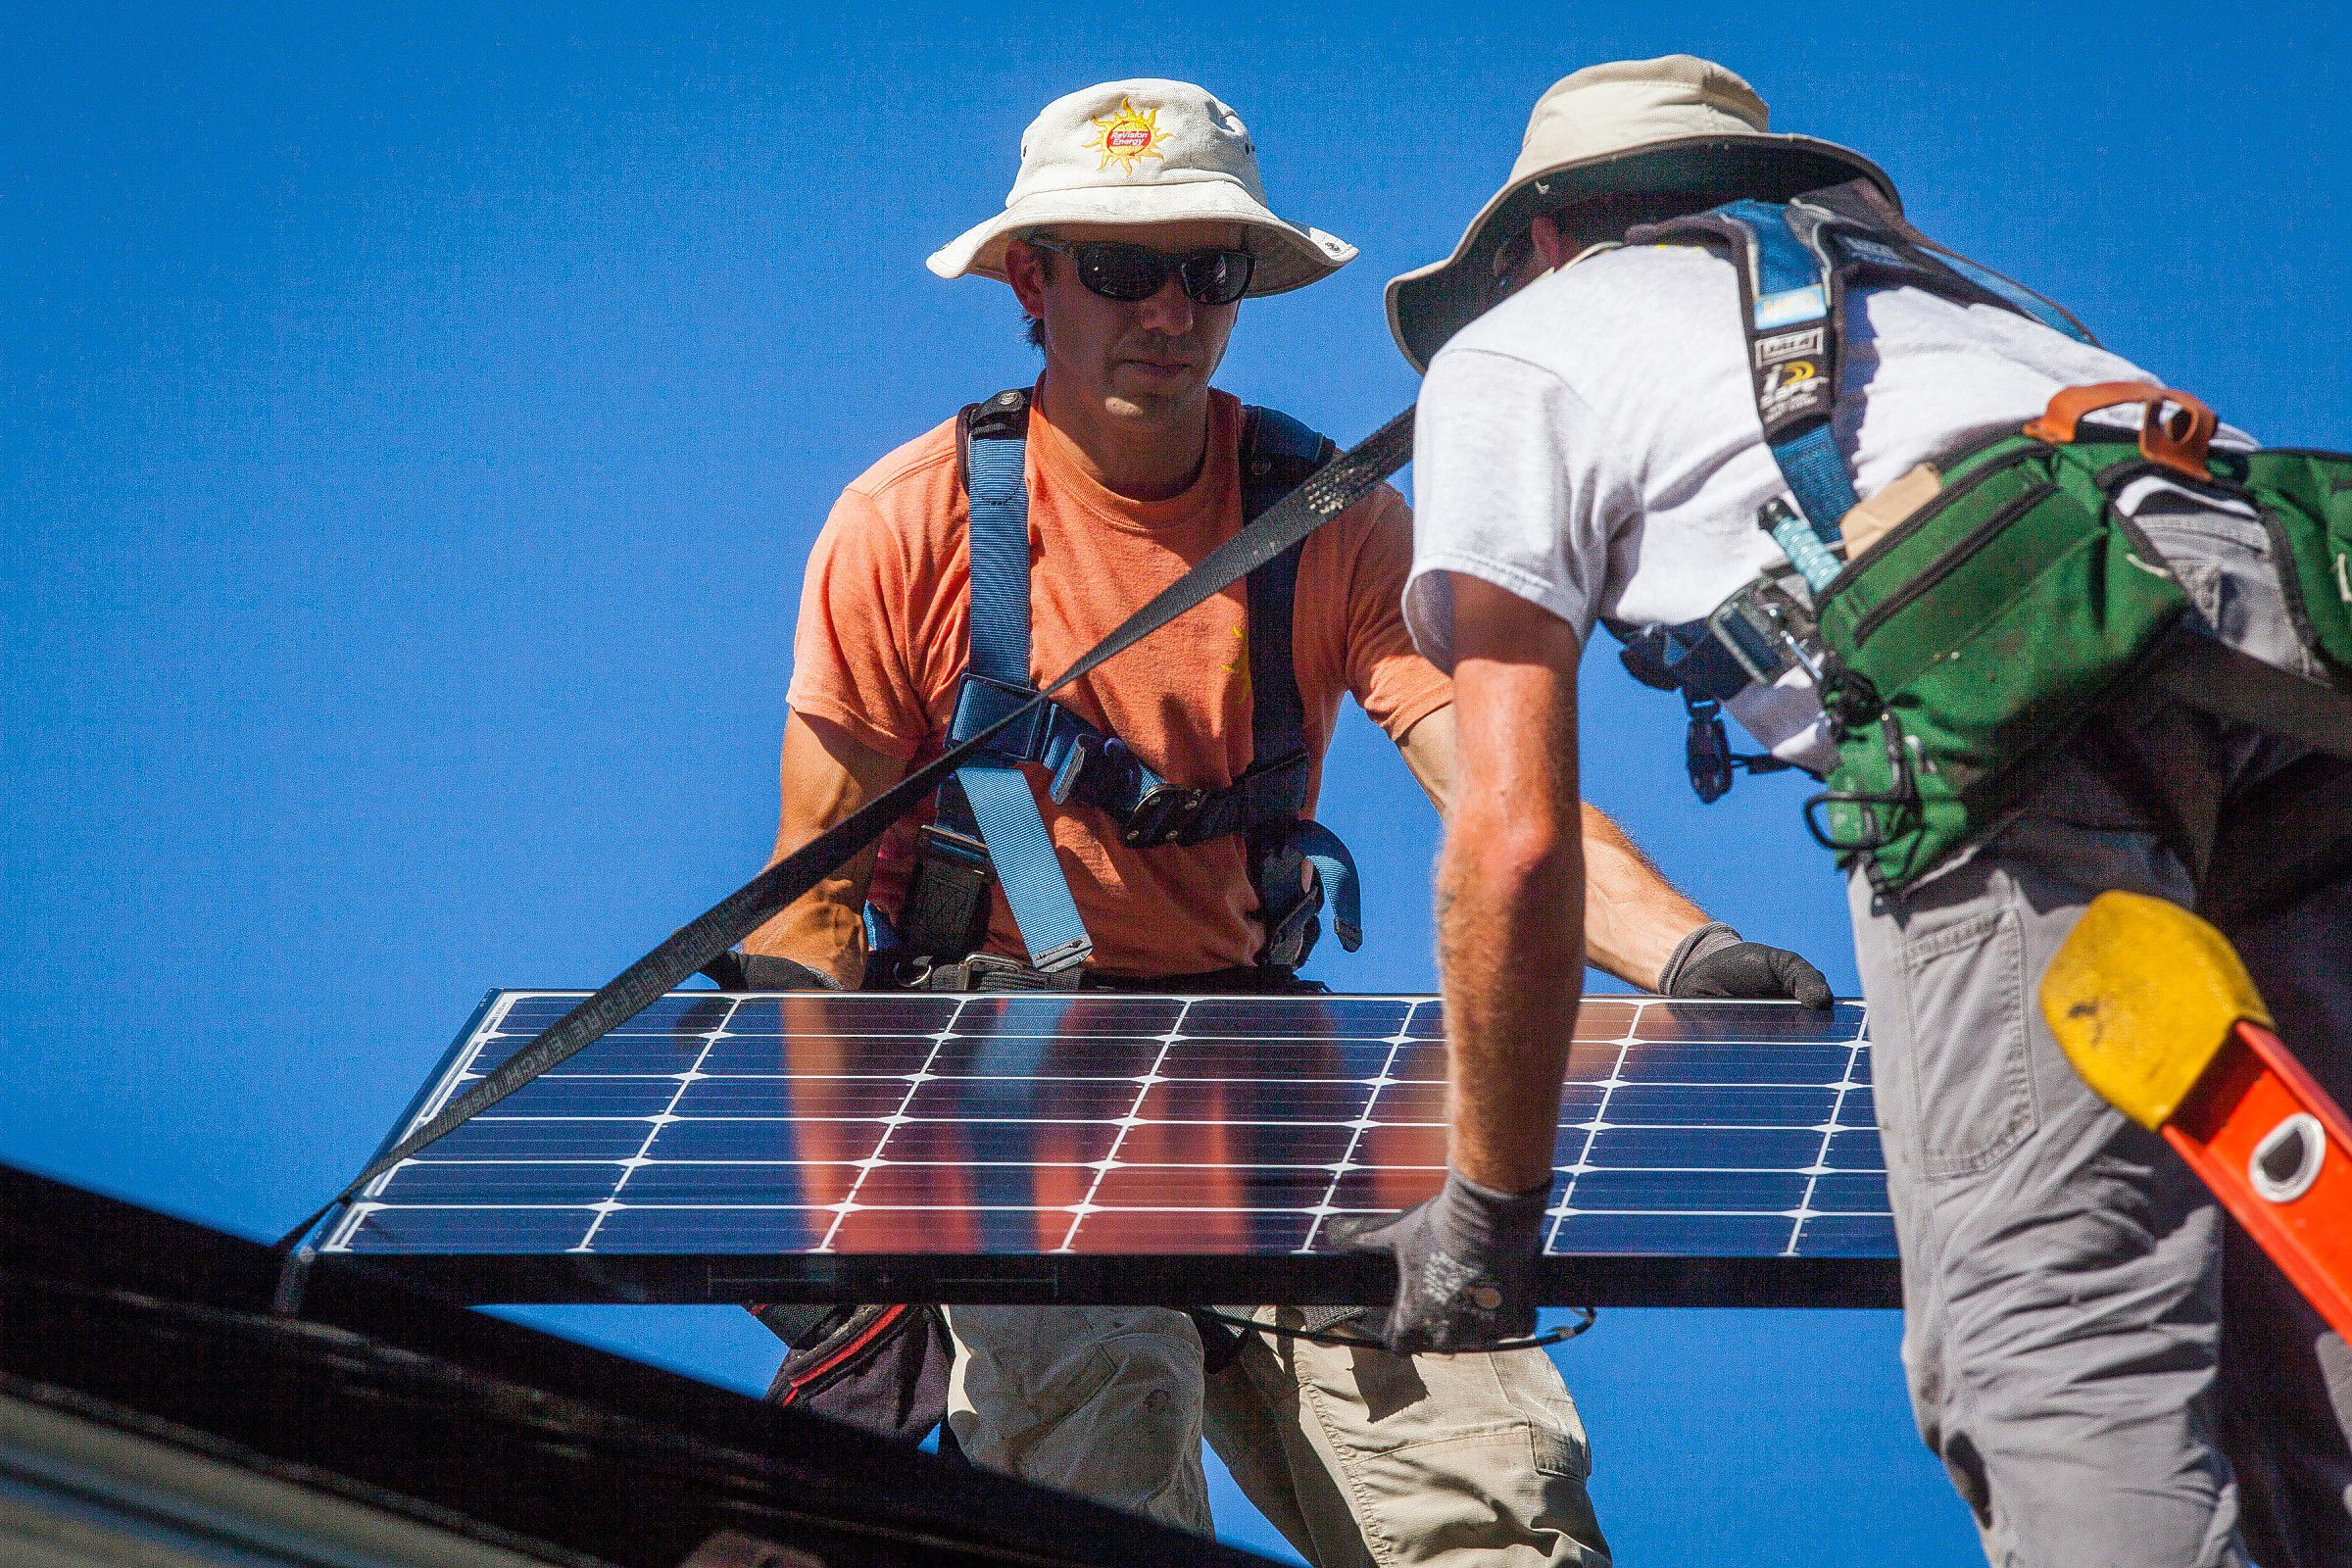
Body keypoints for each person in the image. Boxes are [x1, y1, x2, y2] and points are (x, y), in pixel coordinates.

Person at [714, 77, 1831, 1566]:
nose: (1167, 309)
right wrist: (802, 1181)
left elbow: (1502, 797)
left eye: (1208, 270)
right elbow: (811, 897)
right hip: (1000, 1080)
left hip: (1258, 1076)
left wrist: (1691, 956)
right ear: (1033, 285)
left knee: (1492, 1492)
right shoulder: (912, 526)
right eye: (1122, 268)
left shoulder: (1330, 519)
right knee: (1091, 1449)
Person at [1361, 52, 2352, 1568]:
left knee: (2051, 1338)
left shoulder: (1517, 351)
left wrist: (1489, 1210)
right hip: (2303, 652)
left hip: (2027, 718)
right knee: (2308, 1275)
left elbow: (1512, 833)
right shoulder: (1977, 308)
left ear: (1540, 241)